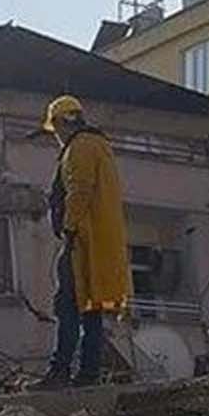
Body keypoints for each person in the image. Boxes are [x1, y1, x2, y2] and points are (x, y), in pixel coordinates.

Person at [39, 94, 131, 388]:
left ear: (61, 123)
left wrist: (68, 228)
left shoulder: (80, 147)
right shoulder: (100, 145)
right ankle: (88, 373)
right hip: (96, 244)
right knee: (90, 309)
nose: (56, 136)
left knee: (67, 305)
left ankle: (60, 371)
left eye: (55, 128)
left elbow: (80, 191)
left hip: (82, 241)